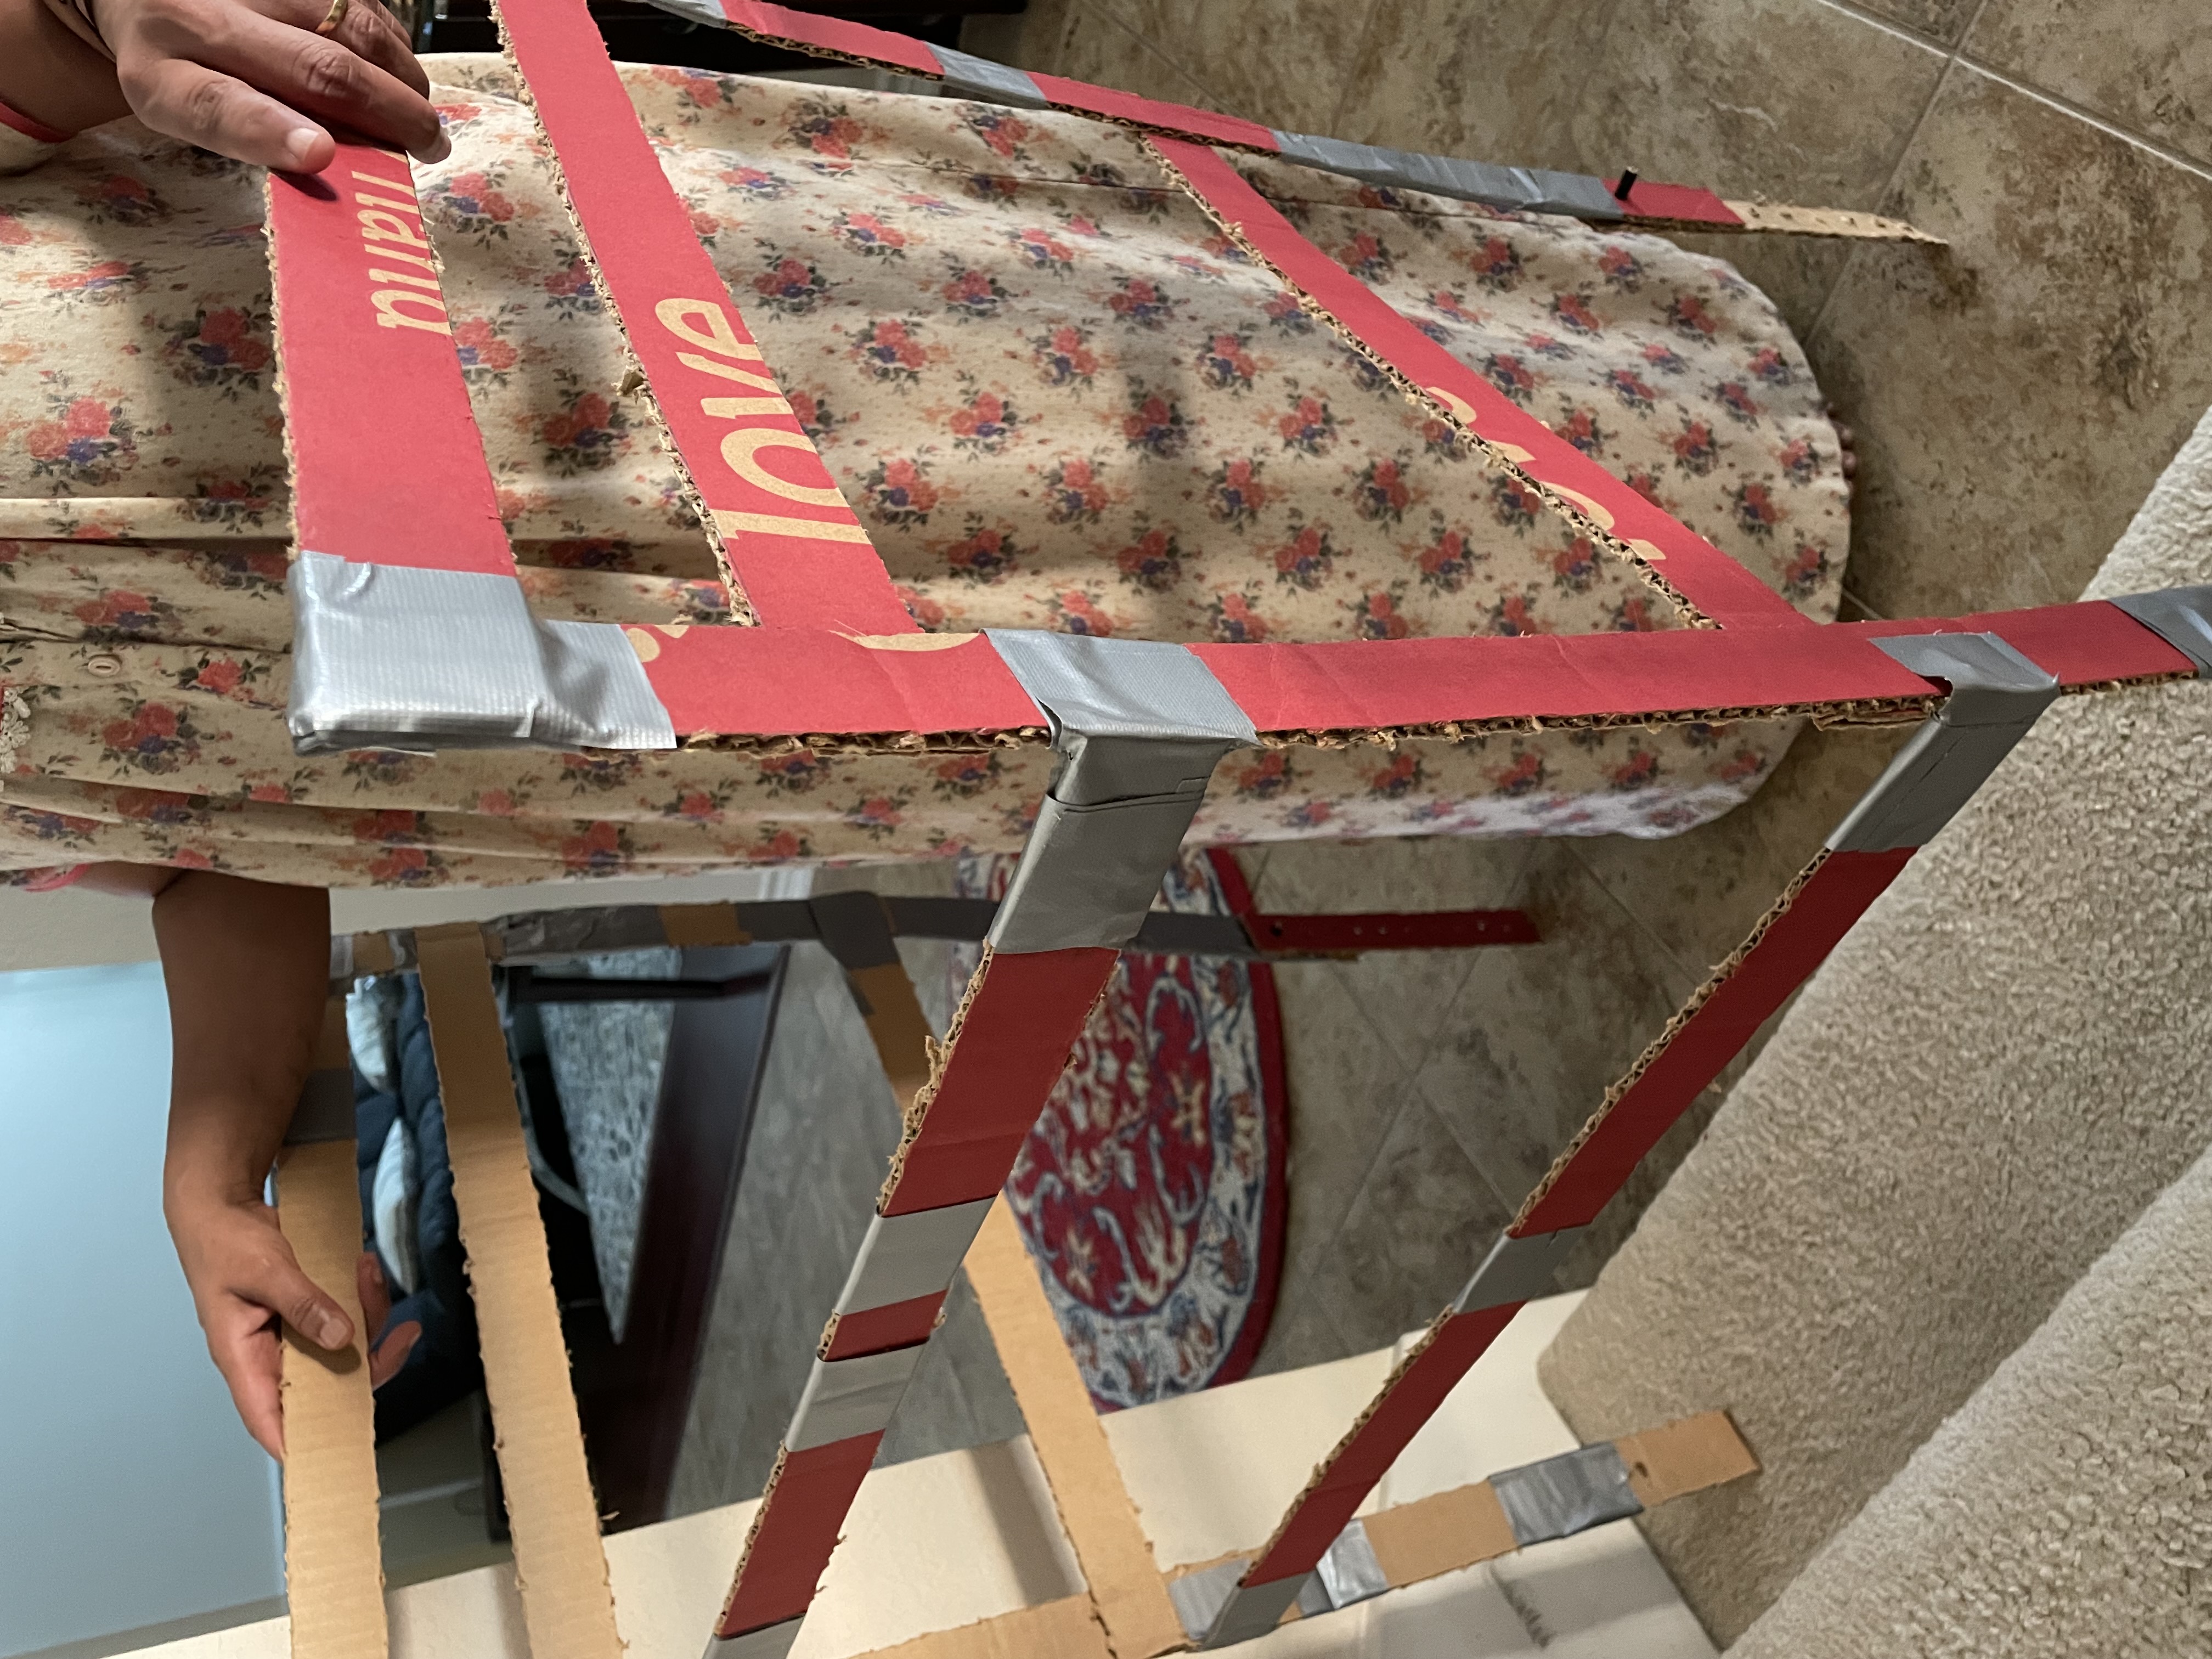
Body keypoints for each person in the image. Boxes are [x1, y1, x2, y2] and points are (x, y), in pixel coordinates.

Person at [0, 0, 1854, 1455]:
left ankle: (1671, 408)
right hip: (629, 706)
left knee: (1156, 380)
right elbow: (199, 842)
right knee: (1153, 654)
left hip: (567, 328)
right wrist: (207, 1164)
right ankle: (1705, 668)